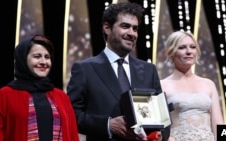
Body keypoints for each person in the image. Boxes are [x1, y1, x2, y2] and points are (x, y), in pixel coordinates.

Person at [67, 2, 170, 141]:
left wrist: (159, 136)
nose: (131, 33)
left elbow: (163, 117)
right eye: (125, 26)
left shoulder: (148, 70)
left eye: (135, 28)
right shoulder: (85, 69)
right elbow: (71, 114)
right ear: (107, 28)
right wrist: (108, 124)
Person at [0, 35, 80, 141]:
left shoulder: (61, 97)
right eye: (37, 56)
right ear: (23, 59)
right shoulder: (5, 95)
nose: (43, 62)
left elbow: (73, 136)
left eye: (47, 57)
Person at [160, 31, 224, 141]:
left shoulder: (208, 84)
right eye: (182, 47)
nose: (189, 51)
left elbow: (218, 123)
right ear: (171, 52)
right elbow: (159, 124)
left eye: (192, 47)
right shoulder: (162, 85)